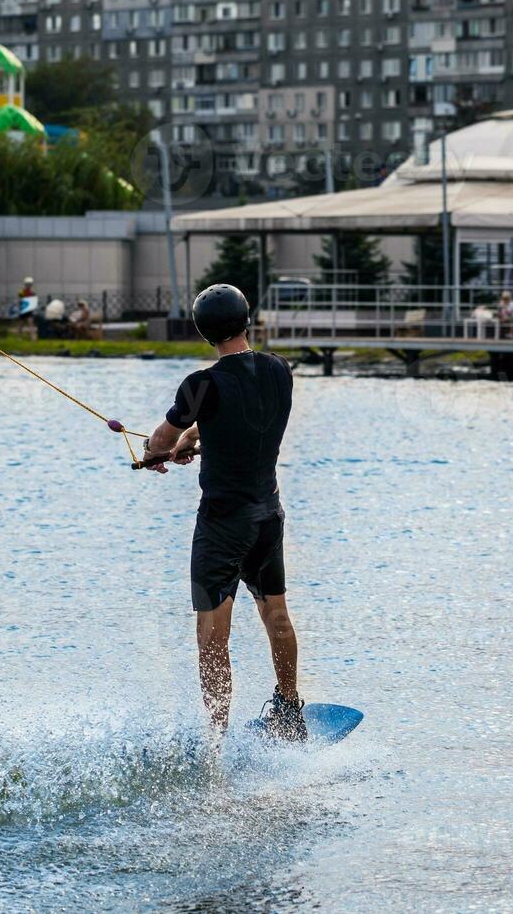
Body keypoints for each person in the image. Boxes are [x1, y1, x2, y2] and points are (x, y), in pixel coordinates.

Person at [141, 284, 306, 741]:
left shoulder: (200, 385)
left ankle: (216, 739)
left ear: (203, 333)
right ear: (246, 320)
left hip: (222, 523)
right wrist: (194, 440)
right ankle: (290, 710)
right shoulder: (280, 370)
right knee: (276, 613)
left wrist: (160, 451)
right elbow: (240, 418)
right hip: (268, 517)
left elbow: (158, 441)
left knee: (212, 633)